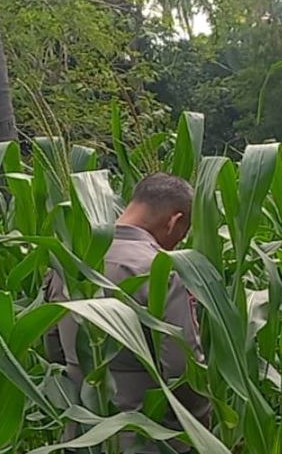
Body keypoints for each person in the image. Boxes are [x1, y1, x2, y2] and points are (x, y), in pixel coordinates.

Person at [43, 173, 210, 454]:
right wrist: (200, 424)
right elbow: (182, 368)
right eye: (183, 233)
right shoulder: (161, 270)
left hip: (80, 438)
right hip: (149, 440)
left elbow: (53, 347)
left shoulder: (67, 264)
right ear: (174, 221)